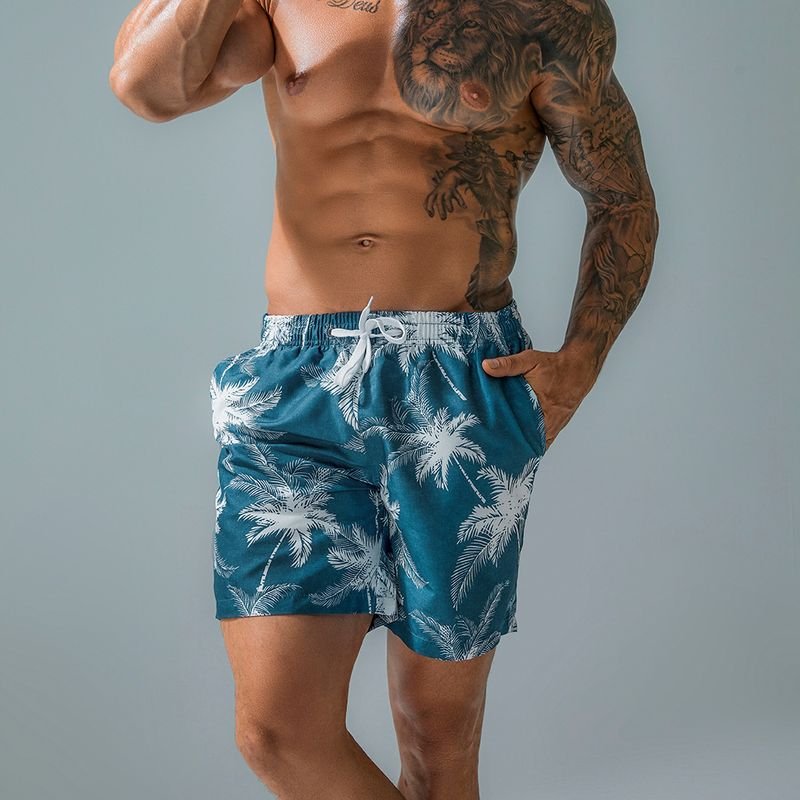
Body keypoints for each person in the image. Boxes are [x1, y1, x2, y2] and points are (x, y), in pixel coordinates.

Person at [109, 1, 658, 797]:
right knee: (277, 733)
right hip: (296, 380)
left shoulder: (542, 9)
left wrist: (582, 360)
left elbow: (621, 194)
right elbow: (147, 88)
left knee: (437, 739)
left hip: (460, 377)